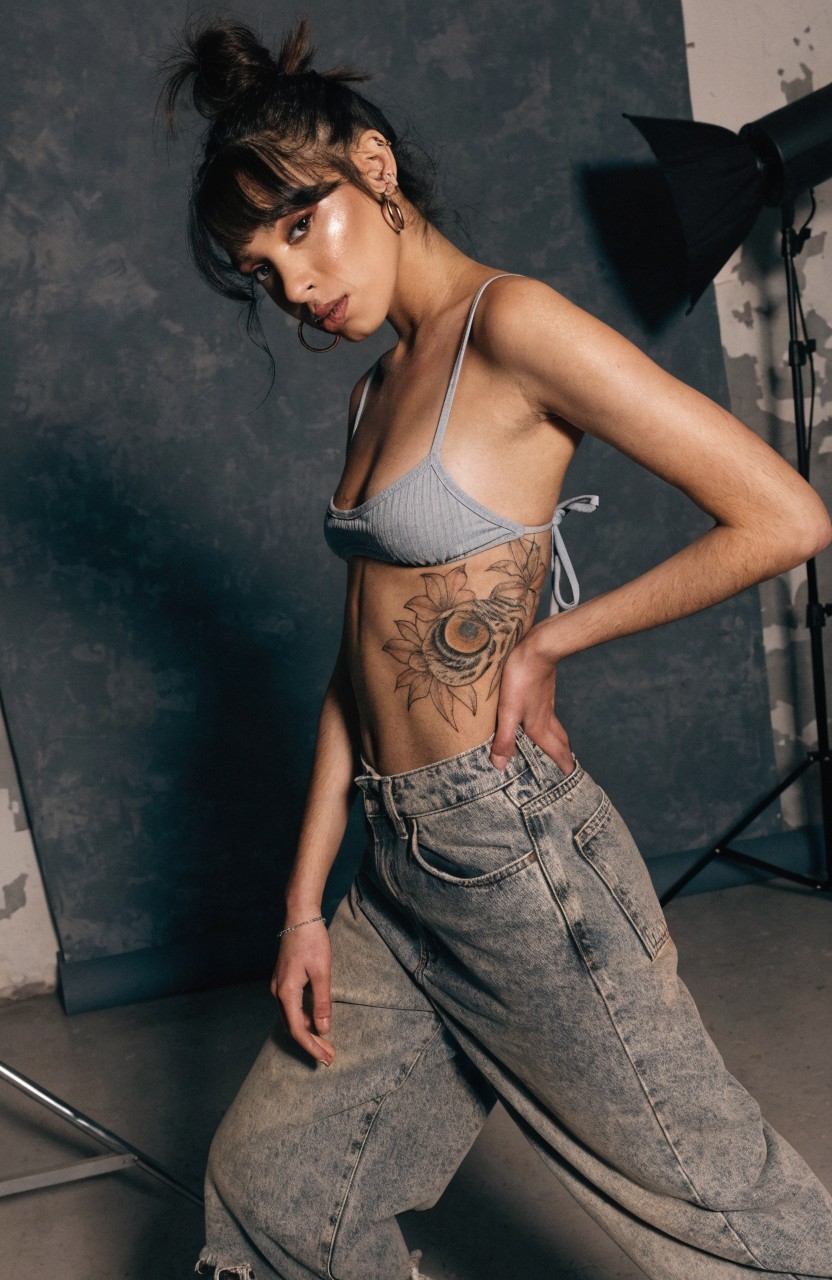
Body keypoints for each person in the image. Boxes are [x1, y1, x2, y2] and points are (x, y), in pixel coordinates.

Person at [160, 16, 832, 1280]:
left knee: (716, 1205)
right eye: (262, 268)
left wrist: (551, 640)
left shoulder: (511, 325)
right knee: (273, 1196)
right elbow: (352, 673)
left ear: (373, 166)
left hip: (509, 852)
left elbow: (785, 516)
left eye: (300, 229)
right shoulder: (371, 390)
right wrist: (305, 906)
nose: (295, 287)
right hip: (396, 858)